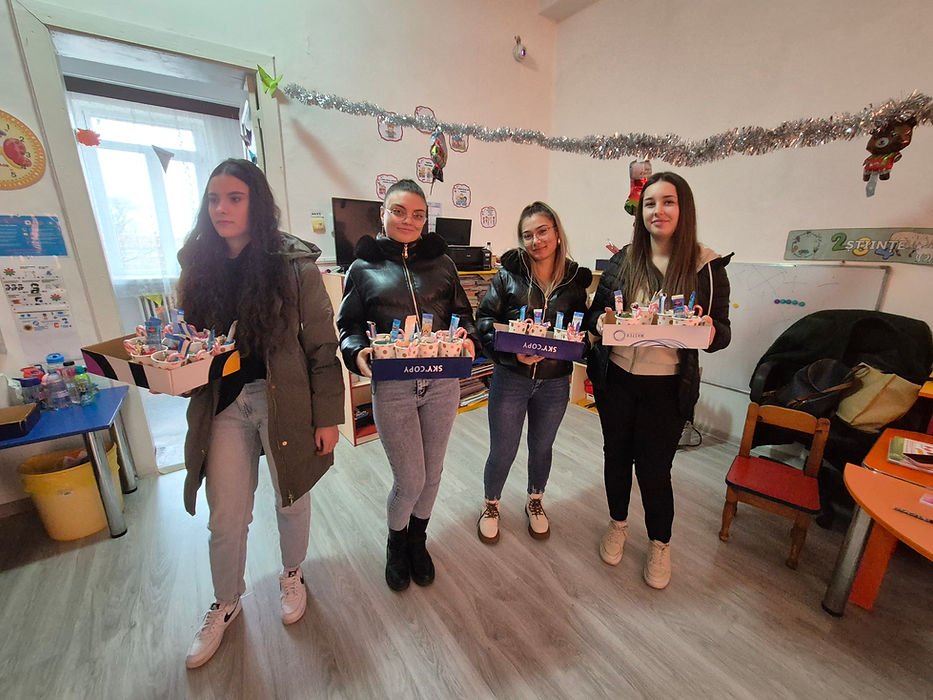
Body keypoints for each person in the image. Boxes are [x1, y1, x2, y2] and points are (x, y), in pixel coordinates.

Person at [177, 159, 344, 668]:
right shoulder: (196, 264)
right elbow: (189, 344)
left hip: (284, 400)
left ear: (257, 204)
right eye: (213, 199)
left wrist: (327, 416)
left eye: (234, 198)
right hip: (223, 405)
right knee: (226, 515)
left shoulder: (292, 265)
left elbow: (322, 344)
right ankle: (225, 601)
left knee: (291, 495)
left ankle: (292, 573)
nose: (221, 209)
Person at [585, 171, 731, 589]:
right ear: (640, 212)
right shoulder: (624, 259)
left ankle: (659, 543)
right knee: (616, 457)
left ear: (683, 209)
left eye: (668, 202)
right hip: (616, 380)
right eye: (650, 203)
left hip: (666, 387)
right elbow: (595, 317)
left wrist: (709, 330)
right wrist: (602, 323)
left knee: (654, 469)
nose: (658, 211)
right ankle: (617, 523)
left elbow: (722, 333)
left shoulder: (706, 266)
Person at [336, 179, 478, 592]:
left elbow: (463, 315)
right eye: (398, 211)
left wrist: (468, 337)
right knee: (411, 479)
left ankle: (418, 541)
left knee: (432, 475)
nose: (408, 221)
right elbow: (348, 325)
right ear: (383, 213)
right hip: (394, 385)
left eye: (418, 214)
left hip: (442, 383)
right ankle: (396, 544)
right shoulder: (362, 267)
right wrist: (357, 353)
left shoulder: (443, 263)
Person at [475, 202, 591, 543]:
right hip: (511, 379)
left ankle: (535, 500)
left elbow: (581, 331)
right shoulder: (508, 276)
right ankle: (491, 504)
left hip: (555, 382)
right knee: (503, 449)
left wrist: (585, 342)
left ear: (557, 233)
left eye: (542, 231)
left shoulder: (574, 281)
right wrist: (511, 354)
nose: (536, 241)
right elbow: (484, 321)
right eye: (527, 235)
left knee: (542, 447)